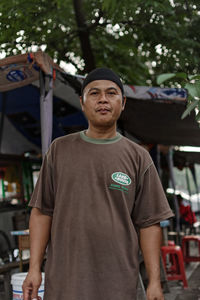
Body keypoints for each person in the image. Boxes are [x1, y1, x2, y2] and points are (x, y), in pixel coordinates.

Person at [23, 67, 174, 300]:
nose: (103, 99)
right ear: (82, 103)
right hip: (65, 283)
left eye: (111, 93)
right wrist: (34, 269)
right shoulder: (59, 150)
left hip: (119, 283)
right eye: (94, 93)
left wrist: (154, 282)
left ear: (122, 103)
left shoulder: (138, 157)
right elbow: (42, 212)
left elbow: (149, 223)